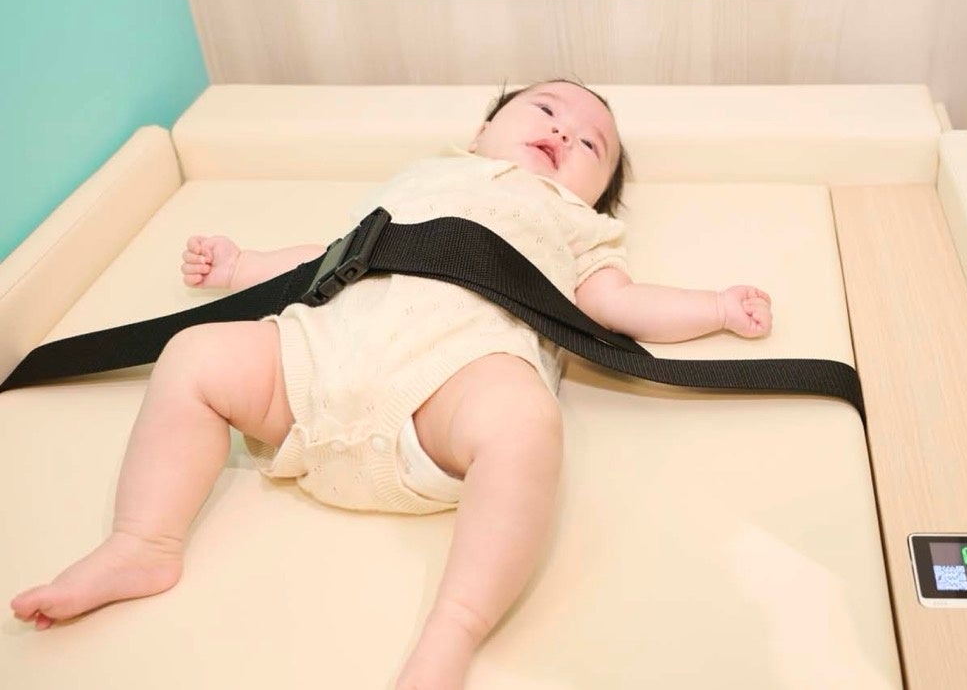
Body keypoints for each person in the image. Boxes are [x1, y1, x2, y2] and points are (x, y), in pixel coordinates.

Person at [10, 79, 773, 689]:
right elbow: (331, 256)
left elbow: (617, 303)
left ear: (595, 196)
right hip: (313, 371)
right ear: (482, 129)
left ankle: (454, 628)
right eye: (545, 109)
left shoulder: (575, 224)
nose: (563, 133)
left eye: (590, 145)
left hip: (444, 394)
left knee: (526, 421)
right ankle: (142, 540)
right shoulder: (423, 176)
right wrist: (243, 265)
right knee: (193, 355)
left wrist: (713, 307)